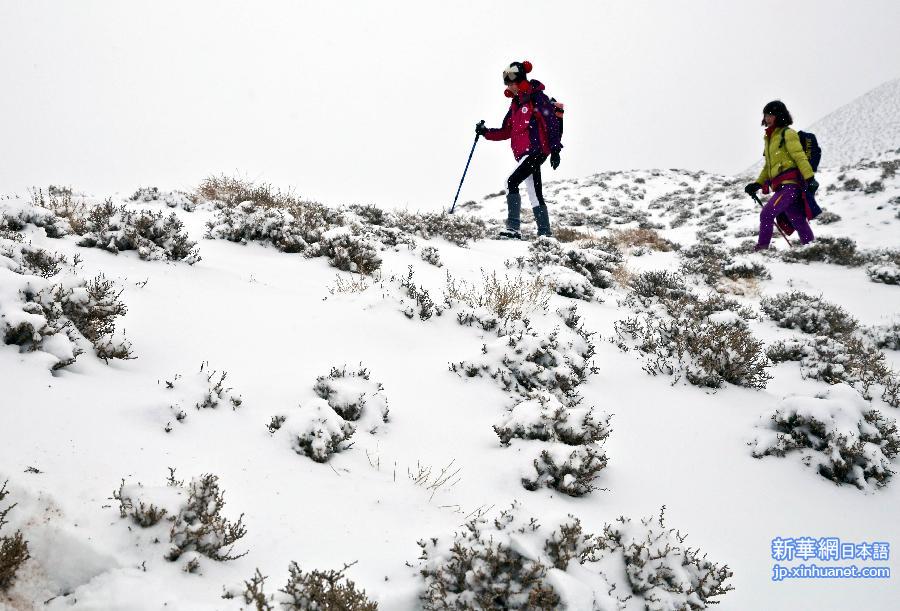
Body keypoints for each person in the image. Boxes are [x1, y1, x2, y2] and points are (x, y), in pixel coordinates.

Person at [477, 61, 563, 239]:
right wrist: (485, 133)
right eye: (506, 84)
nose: (508, 86)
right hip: (524, 155)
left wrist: (555, 150)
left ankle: (513, 229)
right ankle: (545, 234)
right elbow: (506, 131)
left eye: (510, 83)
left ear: (520, 80)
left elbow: (551, 122)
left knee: (510, 182)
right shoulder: (515, 104)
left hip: (535, 151)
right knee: (534, 192)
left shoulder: (536, 97)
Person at [744, 100, 819, 250]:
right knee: (798, 220)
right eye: (765, 115)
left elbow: (799, 156)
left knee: (766, 214)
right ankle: (812, 248)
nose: (767, 118)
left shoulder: (788, 133)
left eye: (770, 114)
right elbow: (768, 167)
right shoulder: (769, 138)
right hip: (781, 187)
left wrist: (810, 178)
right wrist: (757, 184)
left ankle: (762, 249)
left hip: (790, 185)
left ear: (779, 115)